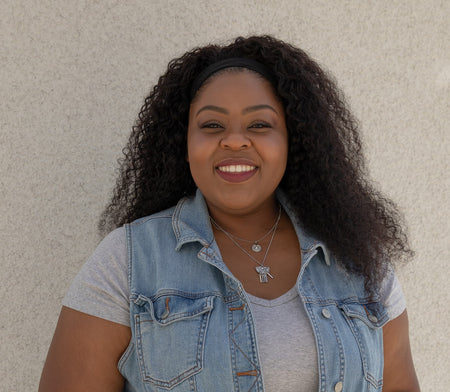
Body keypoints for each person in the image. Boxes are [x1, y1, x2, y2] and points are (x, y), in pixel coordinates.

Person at [39, 35, 420, 391]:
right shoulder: (128, 261)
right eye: (212, 125)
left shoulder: (360, 261)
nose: (235, 139)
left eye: (259, 124)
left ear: (293, 143)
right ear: (184, 145)